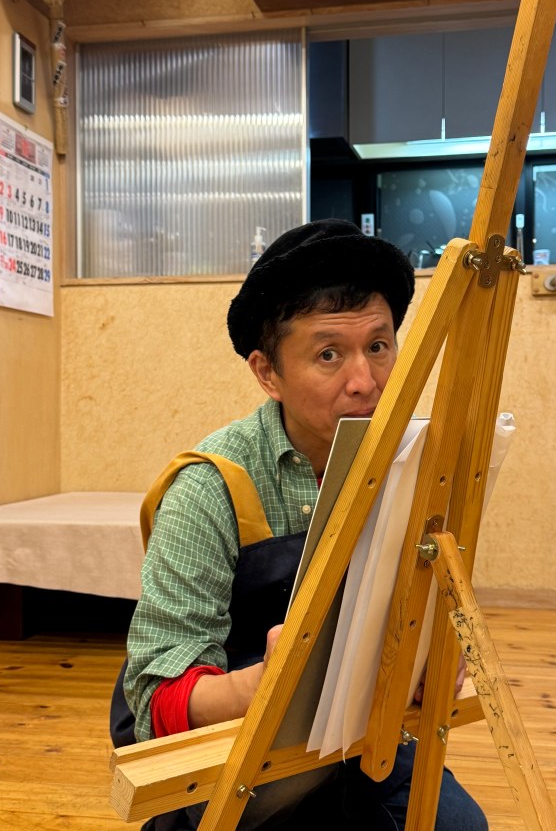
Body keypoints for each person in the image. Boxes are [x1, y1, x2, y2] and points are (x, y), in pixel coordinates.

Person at [122, 218, 488, 830]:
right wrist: (273, 686)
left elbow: (414, 614)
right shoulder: (210, 486)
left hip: (361, 732)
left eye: (378, 345)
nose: (365, 383)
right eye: (328, 354)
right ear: (268, 373)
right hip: (233, 743)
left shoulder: (411, 465)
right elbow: (153, 696)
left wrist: (428, 662)